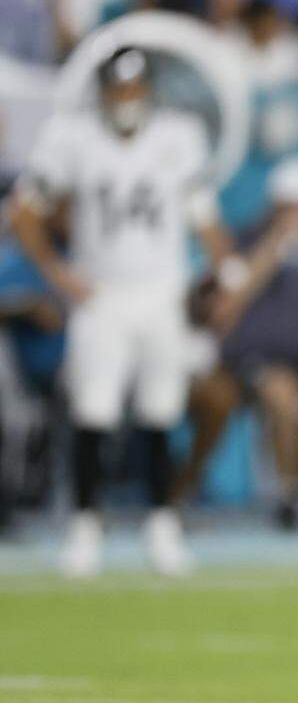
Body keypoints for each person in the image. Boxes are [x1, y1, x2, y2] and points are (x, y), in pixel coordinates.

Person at [9, 47, 232, 577]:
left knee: (160, 412)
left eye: (133, 89)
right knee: (94, 411)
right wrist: (59, 274)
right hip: (102, 294)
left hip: (162, 293)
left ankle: (161, 525)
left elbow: (203, 217)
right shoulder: (73, 138)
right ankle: (85, 527)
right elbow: (24, 213)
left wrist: (224, 274)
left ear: (148, 91)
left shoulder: (178, 137)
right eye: (117, 89)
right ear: (103, 92)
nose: (126, 99)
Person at [177, 156, 298, 530]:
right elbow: (224, 307)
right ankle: (290, 495)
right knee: (282, 390)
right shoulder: (244, 243)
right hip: (257, 359)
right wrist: (272, 251)